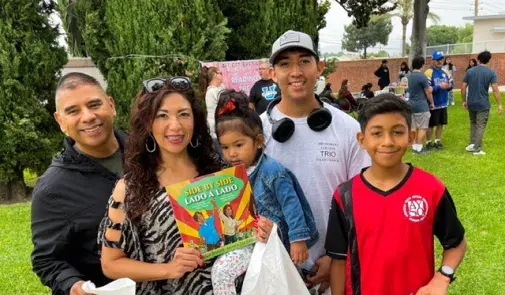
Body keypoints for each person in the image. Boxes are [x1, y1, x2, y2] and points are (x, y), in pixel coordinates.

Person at [260, 30, 371, 294]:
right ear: (272, 73)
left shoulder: (347, 128)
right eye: (285, 64)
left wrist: (336, 258)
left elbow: (364, 198)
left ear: (319, 68)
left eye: (304, 61)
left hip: (334, 267)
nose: (295, 71)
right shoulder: (254, 133)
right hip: (273, 268)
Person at [327, 94, 467, 295]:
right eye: (377, 133)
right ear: (362, 140)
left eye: (397, 132)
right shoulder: (345, 195)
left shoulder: (431, 189)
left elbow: (457, 243)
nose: (388, 142)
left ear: (410, 137)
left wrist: (442, 278)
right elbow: (338, 260)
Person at [97, 77, 223, 294]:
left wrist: (261, 232)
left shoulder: (218, 174)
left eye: (184, 114)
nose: (175, 126)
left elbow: (239, 233)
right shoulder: (129, 189)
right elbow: (110, 264)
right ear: (147, 123)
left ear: (195, 120)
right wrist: (168, 269)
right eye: (162, 115)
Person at [211, 91, 319, 294]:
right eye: (224, 147)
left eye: (239, 145)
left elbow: (291, 205)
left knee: (283, 282)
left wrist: (298, 240)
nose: (231, 153)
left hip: (277, 244)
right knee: (223, 271)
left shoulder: (272, 171)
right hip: (249, 241)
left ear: (259, 141)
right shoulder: (230, 175)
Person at [31, 72, 126, 295]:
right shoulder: (52, 189)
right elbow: (46, 260)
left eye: (94, 104)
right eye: (73, 111)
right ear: (60, 121)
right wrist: (74, 286)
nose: (88, 116)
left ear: (111, 105)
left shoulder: (148, 154)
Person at [461, 50, 503, 155]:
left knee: (473, 123)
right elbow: (495, 89)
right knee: (480, 125)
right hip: (483, 103)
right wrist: (499, 104)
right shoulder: (491, 72)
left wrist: (464, 101)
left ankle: (472, 144)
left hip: (471, 102)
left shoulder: (470, 71)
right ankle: (477, 148)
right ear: (489, 60)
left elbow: (463, 87)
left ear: (478, 60)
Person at [425, 51, 452, 150]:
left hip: (443, 103)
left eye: (441, 59)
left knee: (441, 124)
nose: (440, 61)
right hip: (433, 103)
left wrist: (449, 86)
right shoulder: (428, 72)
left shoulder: (446, 72)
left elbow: (451, 85)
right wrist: (439, 86)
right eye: (437, 60)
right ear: (432, 61)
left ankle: (437, 141)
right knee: (431, 124)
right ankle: (428, 142)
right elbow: (427, 89)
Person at [408, 56, 435, 154]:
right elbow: (428, 92)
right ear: (422, 65)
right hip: (421, 105)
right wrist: (432, 103)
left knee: (413, 127)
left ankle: (414, 148)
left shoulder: (410, 76)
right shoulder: (422, 76)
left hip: (411, 105)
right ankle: (419, 148)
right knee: (423, 127)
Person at [198, 66, 225, 141]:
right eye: (220, 73)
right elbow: (227, 104)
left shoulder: (218, 88)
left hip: (219, 126)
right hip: (215, 128)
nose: (222, 75)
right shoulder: (212, 91)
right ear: (214, 75)